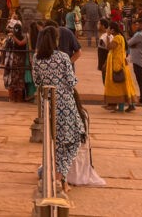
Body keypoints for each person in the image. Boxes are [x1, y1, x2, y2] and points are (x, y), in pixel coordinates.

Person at [32, 26, 84, 192]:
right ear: (56, 40)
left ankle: (55, 175)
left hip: (47, 103)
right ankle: (59, 177)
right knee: (72, 140)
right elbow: (71, 81)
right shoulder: (62, 57)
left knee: (53, 141)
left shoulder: (36, 58)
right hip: (65, 104)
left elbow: (37, 82)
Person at [103, 22, 137, 112]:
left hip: (117, 66)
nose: (108, 30)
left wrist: (107, 36)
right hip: (121, 65)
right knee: (124, 86)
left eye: (109, 29)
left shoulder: (117, 38)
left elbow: (109, 47)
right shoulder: (120, 37)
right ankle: (128, 105)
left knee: (119, 87)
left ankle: (122, 107)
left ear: (113, 30)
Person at [127, 19, 142, 105]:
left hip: (138, 60)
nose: (137, 26)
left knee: (141, 81)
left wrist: (132, 44)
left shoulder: (140, 34)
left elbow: (128, 43)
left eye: (139, 24)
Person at [2, 24, 28, 102]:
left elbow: (6, 48)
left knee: (13, 79)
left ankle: (12, 98)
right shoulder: (24, 36)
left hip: (14, 59)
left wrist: (13, 36)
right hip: (21, 60)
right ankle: (18, 98)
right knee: (19, 79)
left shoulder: (11, 37)